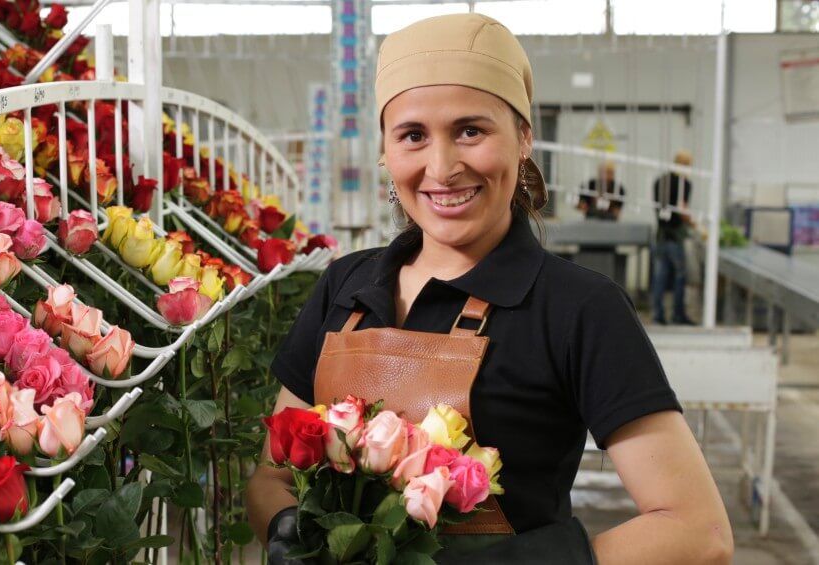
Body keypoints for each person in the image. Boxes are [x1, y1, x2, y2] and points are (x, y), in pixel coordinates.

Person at [245, 13, 732, 564]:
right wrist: (290, 532)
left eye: (470, 131)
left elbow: (698, 532)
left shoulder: (577, 308)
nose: (442, 167)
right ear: (385, 150)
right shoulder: (345, 284)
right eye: (412, 136)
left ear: (524, 138)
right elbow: (270, 477)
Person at [651, 151, 696, 325]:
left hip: (660, 235)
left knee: (660, 277)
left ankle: (658, 314)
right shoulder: (684, 184)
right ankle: (678, 314)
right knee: (680, 276)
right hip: (675, 236)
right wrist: (695, 224)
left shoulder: (660, 181)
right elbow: (682, 210)